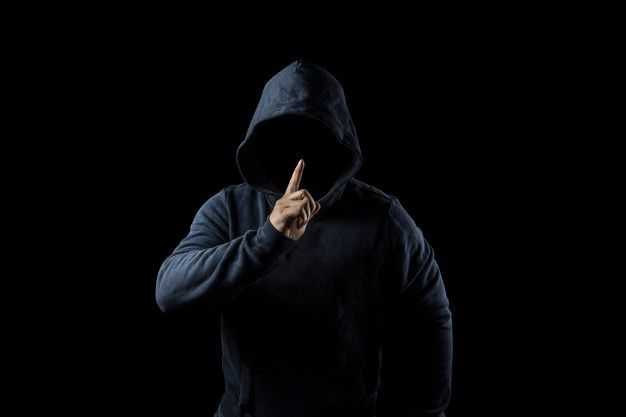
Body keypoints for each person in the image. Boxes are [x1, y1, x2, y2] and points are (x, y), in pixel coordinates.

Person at [156, 60, 453, 417]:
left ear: (340, 140)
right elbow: (170, 291)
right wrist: (268, 239)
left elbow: (430, 319)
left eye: (313, 139)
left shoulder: (385, 220)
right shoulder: (229, 209)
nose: (299, 156)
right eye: (283, 138)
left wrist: (427, 413)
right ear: (261, 141)